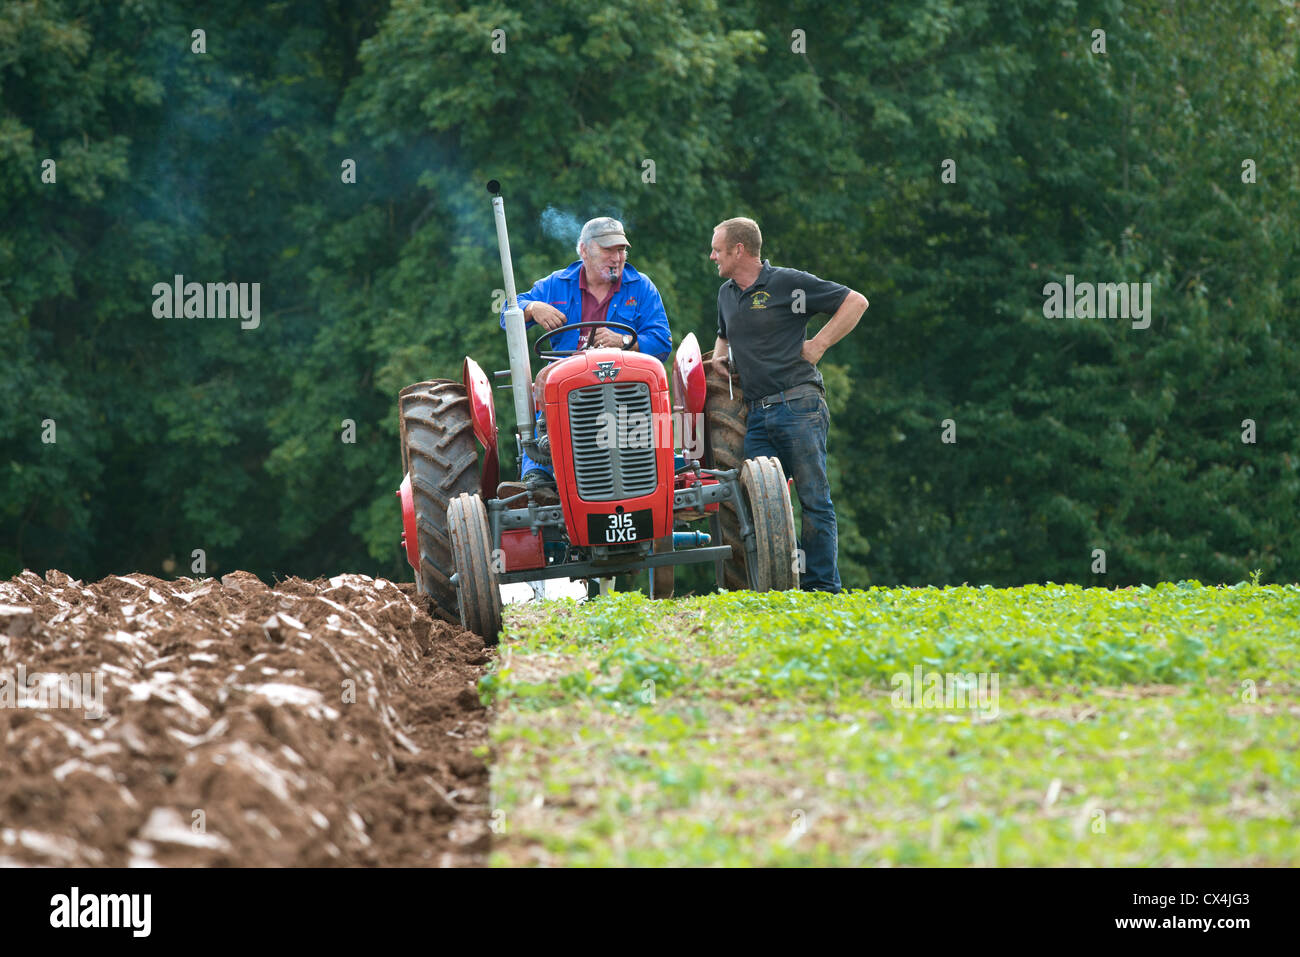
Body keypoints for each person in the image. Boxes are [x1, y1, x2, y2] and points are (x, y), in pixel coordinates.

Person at [708, 217, 868, 594]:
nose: (712, 255)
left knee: (813, 498)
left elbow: (855, 302)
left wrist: (819, 345)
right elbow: (724, 335)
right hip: (757, 415)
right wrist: (719, 357)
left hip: (798, 405)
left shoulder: (788, 283)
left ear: (739, 250)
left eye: (717, 248)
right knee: (757, 503)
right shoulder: (727, 294)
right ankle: (778, 586)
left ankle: (822, 589)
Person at [498, 217, 671, 500]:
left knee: (652, 413)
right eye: (608, 250)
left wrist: (626, 341)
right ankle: (538, 475)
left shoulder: (641, 287)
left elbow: (662, 342)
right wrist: (532, 308)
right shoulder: (556, 285)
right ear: (583, 251)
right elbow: (508, 313)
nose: (617, 258)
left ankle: (654, 476)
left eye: (621, 250)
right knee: (543, 403)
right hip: (568, 392)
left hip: (623, 391)